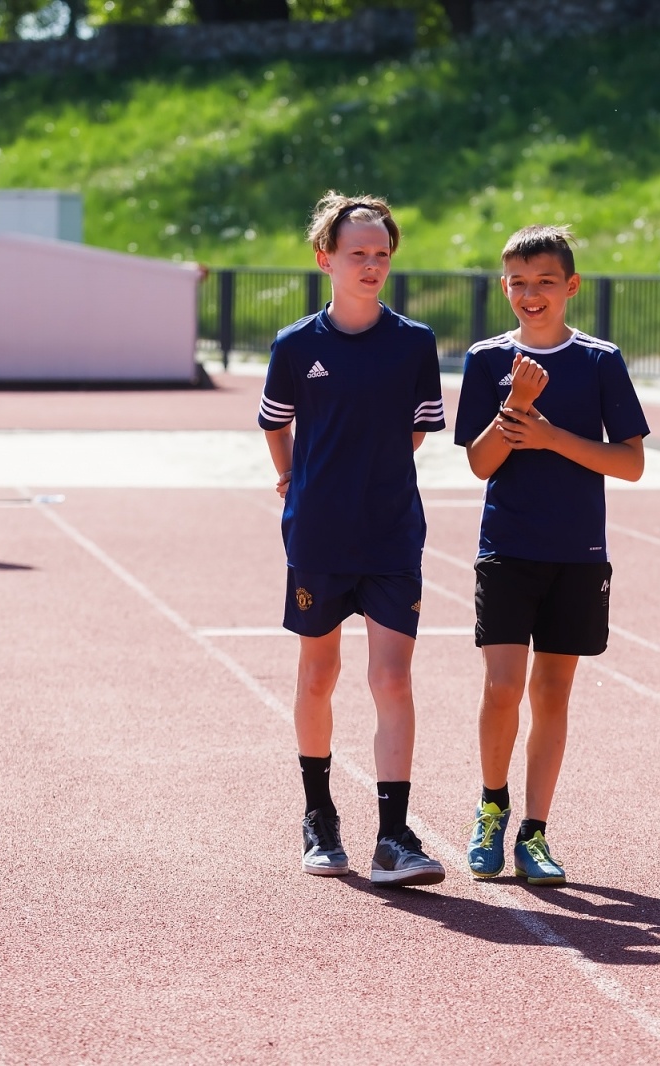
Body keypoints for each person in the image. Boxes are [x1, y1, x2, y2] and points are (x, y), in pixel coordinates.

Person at [258, 191, 448, 887]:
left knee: (392, 677)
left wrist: (373, 471)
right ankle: (319, 816)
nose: (371, 266)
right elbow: (273, 421)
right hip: (318, 533)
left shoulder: (414, 344)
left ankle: (394, 836)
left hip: (394, 531)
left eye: (381, 255)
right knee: (319, 673)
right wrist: (292, 478)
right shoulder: (295, 346)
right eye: (357, 254)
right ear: (325, 259)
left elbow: (420, 427)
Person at [453, 225, 649, 885]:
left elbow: (630, 464)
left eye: (544, 282)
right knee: (502, 686)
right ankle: (490, 808)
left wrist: (551, 435)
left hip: (578, 552)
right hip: (507, 547)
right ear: (503, 285)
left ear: (571, 286)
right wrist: (516, 404)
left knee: (553, 692)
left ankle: (534, 832)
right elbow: (481, 462)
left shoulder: (599, 361)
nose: (530, 295)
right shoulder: (485, 359)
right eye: (517, 282)